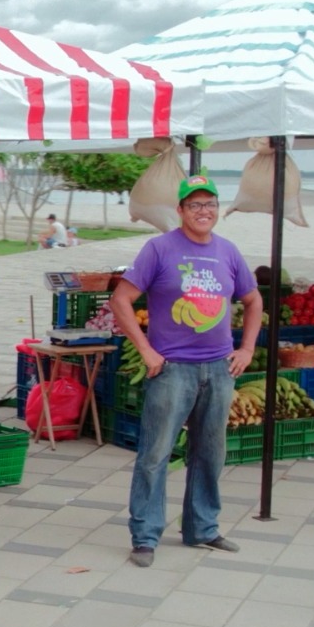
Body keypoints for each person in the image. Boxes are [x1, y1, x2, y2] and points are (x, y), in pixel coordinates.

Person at [110, 176, 263, 567]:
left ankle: (203, 528)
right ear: (180, 211)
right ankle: (145, 535)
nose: (203, 211)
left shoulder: (228, 252)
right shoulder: (159, 249)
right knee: (155, 454)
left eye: (209, 203)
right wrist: (145, 349)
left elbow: (252, 298)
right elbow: (121, 299)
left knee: (210, 452)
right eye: (194, 205)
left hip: (219, 368)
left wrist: (246, 348)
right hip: (172, 369)